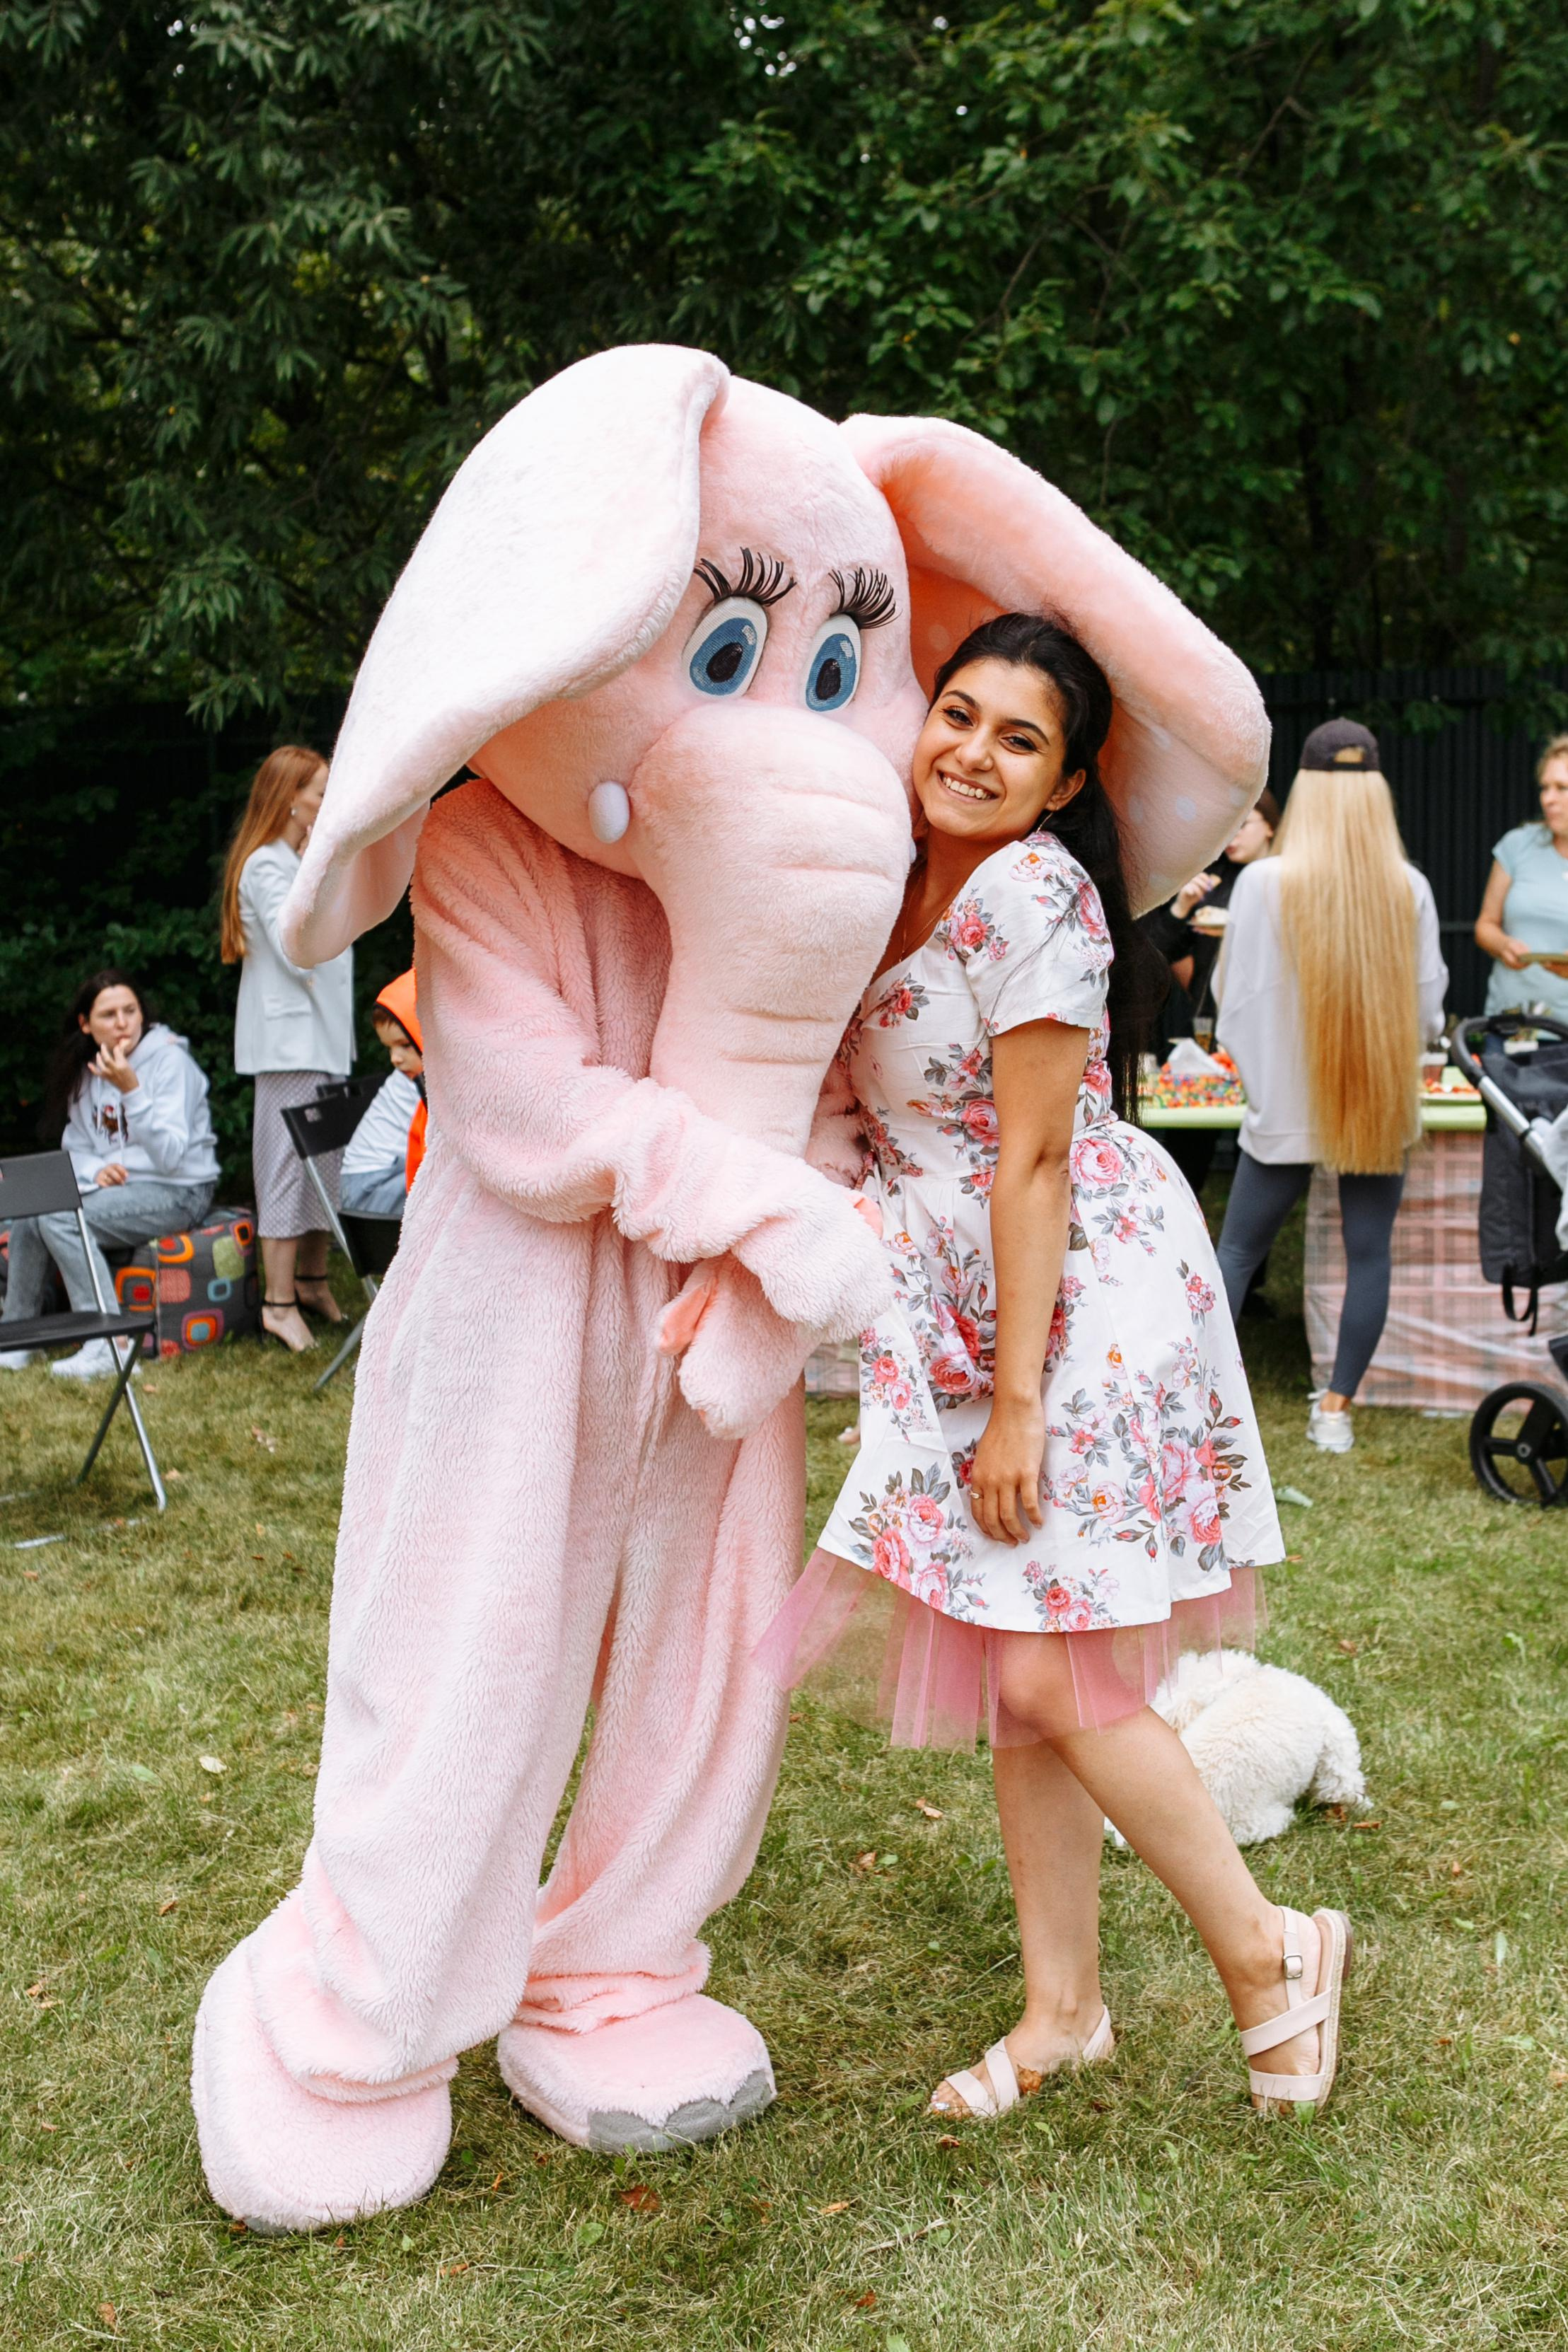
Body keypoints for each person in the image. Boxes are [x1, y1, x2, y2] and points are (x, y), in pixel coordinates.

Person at [760, 614, 1349, 2126]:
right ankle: (1062, 2009)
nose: (970, 751)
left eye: (1016, 739)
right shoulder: (895, 878)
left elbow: (1031, 1158)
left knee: (1044, 1657)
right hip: (960, 1301)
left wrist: (1017, 1399)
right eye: (955, 713)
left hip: (1074, 1294)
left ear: (1063, 777)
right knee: (1026, 1671)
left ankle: (1268, 1950)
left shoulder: (1033, 890)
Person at [1214, 719, 1447, 1453]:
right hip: (1374, 1104)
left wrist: (1264, 1084)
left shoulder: (1262, 884)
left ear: (1307, 792)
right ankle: (1336, 1411)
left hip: (1283, 1106)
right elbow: (1429, 1014)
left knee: (1238, 1254)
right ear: (1377, 793)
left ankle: (1198, 1397)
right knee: (1368, 1252)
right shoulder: (1408, 888)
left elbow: (1234, 1002)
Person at [0, 970, 218, 1377]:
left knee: (60, 1216)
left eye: (130, 1011)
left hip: (179, 1189)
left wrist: (131, 1089)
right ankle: (20, 1339)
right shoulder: (86, 1070)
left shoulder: (170, 1062)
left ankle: (109, 1345)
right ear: (85, 1024)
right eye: (109, 1014)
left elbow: (172, 1157)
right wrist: (97, 1167)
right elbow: (76, 1147)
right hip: (122, 1191)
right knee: (33, 1214)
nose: (122, 1023)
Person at [221, 743, 354, 1353]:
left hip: (324, 1038)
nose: (328, 802)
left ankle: (311, 1280)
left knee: (326, 1163)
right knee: (284, 1168)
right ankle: (276, 1303)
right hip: (287, 1043)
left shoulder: (295, 860)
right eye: (320, 792)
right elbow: (292, 942)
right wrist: (321, 866)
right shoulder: (266, 865)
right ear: (290, 799)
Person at [1475, 734, 1568, 1017]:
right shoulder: (1517, 844)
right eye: (1545, 788)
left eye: (1561, 788)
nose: (1548, 799)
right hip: (1509, 1024)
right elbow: (1485, 926)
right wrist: (1504, 945)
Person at [340, 971, 426, 1218]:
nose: (395, 1059)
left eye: (405, 1045)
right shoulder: (418, 1082)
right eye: (390, 1047)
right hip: (372, 1190)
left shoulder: (425, 1075)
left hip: (382, 1178)